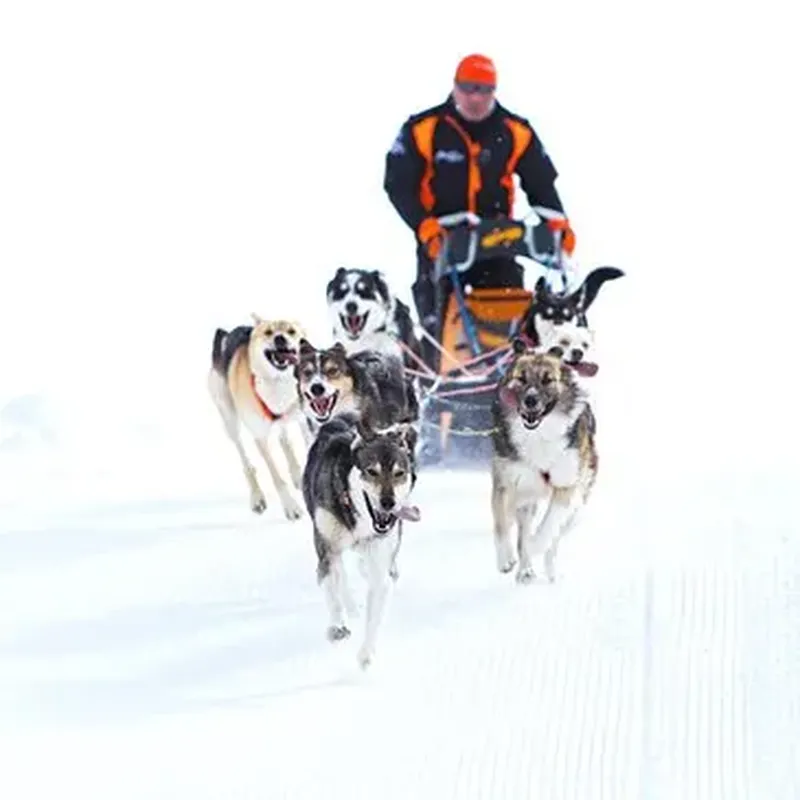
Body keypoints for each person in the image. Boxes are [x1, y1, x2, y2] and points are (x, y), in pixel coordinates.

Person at [383, 53, 576, 345]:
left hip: (496, 238)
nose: (476, 97)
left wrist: (558, 224)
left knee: (510, 317)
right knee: (436, 318)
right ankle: (439, 378)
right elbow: (398, 184)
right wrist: (424, 227)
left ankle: (512, 375)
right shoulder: (423, 129)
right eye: (468, 88)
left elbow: (541, 182)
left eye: (484, 90)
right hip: (441, 240)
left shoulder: (515, 131)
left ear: (494, 91)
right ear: (455, 87)